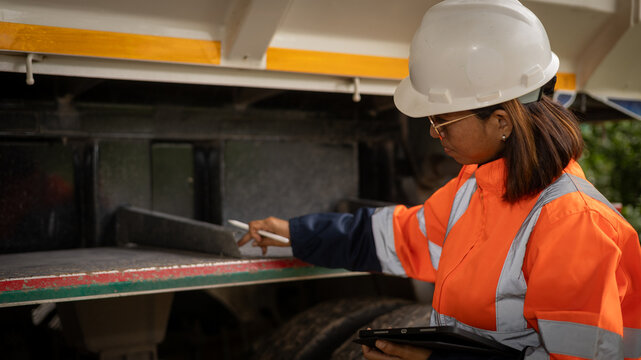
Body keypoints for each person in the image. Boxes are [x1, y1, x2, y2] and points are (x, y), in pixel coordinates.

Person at [237, 0, 641, 359]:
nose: (433, 132)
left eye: (442, 120)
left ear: (501, 121)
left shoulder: (576, 224)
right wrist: (296, 234)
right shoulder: (477, 186)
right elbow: (402, 237)